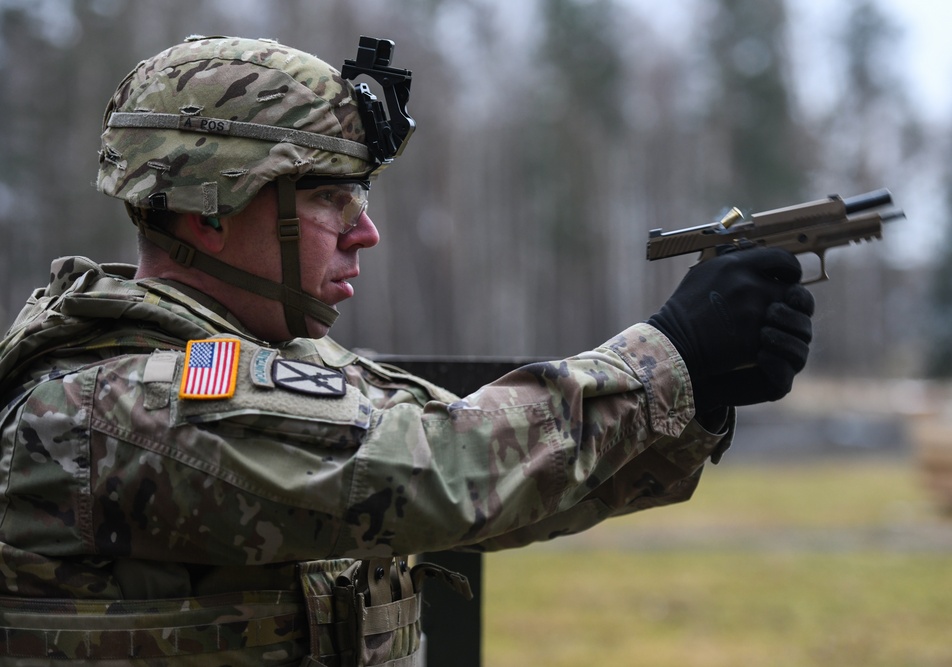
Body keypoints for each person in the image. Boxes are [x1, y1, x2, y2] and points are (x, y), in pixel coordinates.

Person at [0, 35, 814, 666]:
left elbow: (503, 488)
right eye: (327, 197)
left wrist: (699, 389)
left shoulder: (293, 360)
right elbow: (440, 471)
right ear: (207, 207)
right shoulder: (112, 403)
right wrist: (666, 356)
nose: (366, 230)